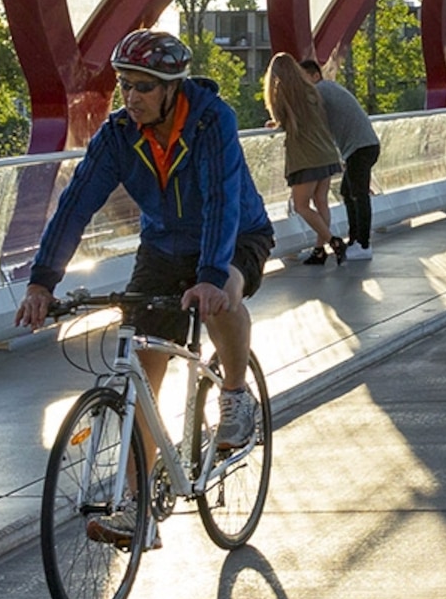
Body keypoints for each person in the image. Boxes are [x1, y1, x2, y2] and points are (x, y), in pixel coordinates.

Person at [14, 29, 273, 472]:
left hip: (235, 234)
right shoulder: (117, 135)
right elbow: (75, 205)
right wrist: (42, 281)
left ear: (172, 88)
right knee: (141, 364)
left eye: (144, 86)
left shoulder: (213, 121)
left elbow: (220, 200)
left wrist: (209, 275)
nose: (131, 97)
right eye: (125, 85)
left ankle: (235, 394)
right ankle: (135, 509)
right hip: (162, 247)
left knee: (223, 293)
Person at [264, 46, 338, 264]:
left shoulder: (284, 93)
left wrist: (275, 124)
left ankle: (333, 241)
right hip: (327, 152)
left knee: (302, 206)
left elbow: (284, 121)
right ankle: (319, 250)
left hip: (307, 158)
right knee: (321, 202)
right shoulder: (310, 90)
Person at [309, 55, 381, 261]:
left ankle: (363, 244)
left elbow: (308, 115)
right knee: (349, 193)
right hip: (363, 146)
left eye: (304, 78)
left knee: (358, 194)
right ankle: (356, 240)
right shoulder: (330, 88)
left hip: (359, 148)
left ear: (315, 76)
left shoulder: (320, 90)